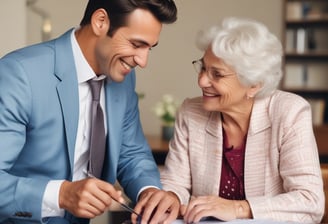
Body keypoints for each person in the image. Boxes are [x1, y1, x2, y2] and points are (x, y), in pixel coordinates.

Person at [0, 0, 181, 223]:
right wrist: (62, 195)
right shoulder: (20, 74)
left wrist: (149, 192)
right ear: (100, 22)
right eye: (136, 44)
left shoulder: (123, 78)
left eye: (149, 48)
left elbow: (131, 154)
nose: (143, 61)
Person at [160, 17, 325, 224]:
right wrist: (170, 198)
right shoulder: (191, 112)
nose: (201, 81)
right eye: (203, 68)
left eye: (217, 74)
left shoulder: (289, 112)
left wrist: (237, 208)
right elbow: (175, 183)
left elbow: (310, 201)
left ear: (254, 84)